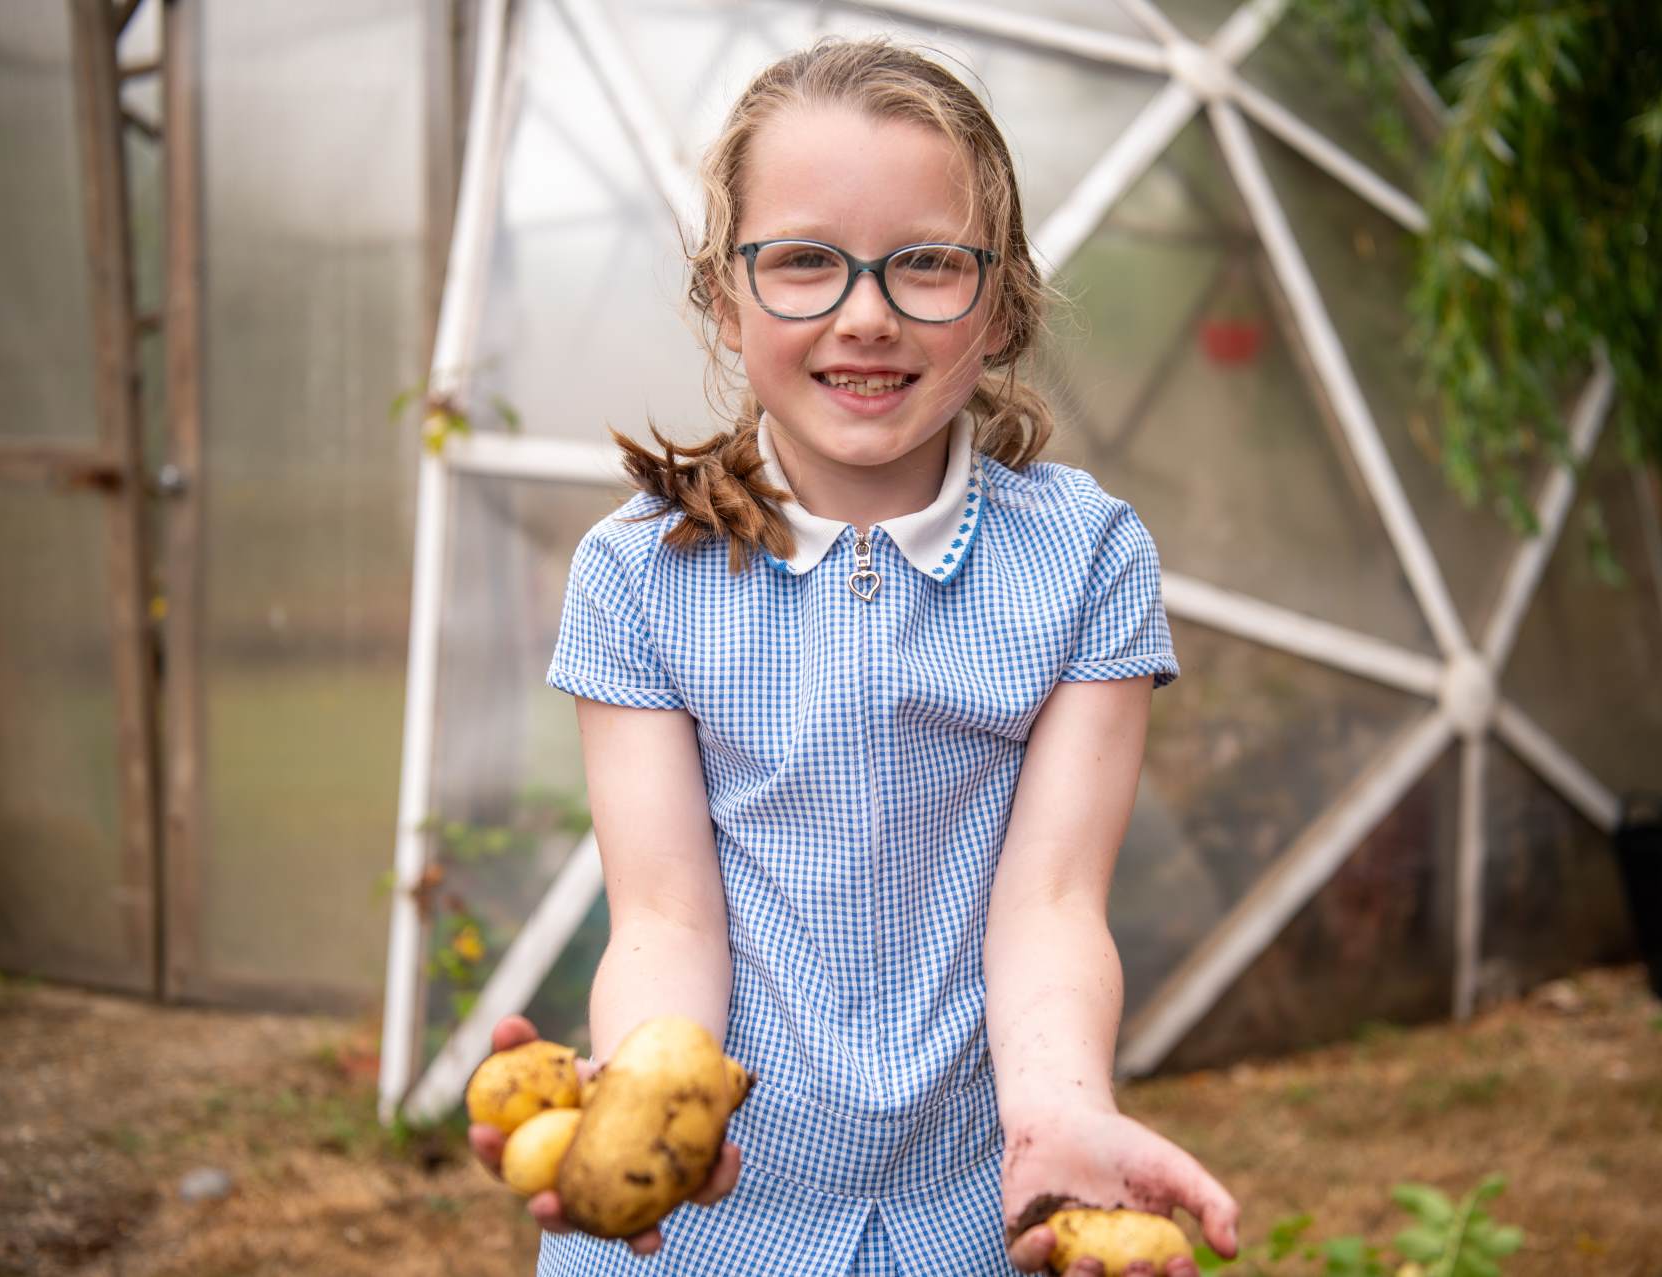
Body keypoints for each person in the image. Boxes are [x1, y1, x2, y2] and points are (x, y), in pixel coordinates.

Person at [468, 36, 1240, 1276]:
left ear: (1002, 302)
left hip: (974, 1211)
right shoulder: (638, 574)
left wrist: (1058, 1113)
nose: (866, 314)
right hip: (706, 1225)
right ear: (726, 298)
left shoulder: (1086, 558)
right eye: (804, 261)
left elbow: (1050, 904)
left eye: (927, 262)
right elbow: (666, 913)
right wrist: (652, 1111)